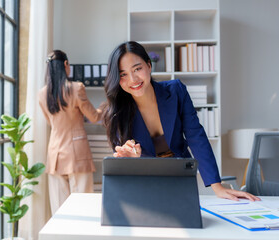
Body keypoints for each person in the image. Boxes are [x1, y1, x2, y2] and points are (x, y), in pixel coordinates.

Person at [102, 41, 260, 201]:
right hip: (144, 184)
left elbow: (196, 137)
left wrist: (217, 186)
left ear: (149, 66)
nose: (133, 79)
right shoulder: (117, 113)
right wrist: (131, 161)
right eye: (123, 74)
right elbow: (122, 163)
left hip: (181, 177)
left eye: (137, 69)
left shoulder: (176, 91)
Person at [38, 50, 104, 214]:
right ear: (66, 65)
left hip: (55, 156)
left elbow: (51, 123)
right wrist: (104, 105)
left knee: (59, 211)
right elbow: (94, 117)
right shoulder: (76, 88)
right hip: (77, 155)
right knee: (83, 207)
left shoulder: (42, 94)